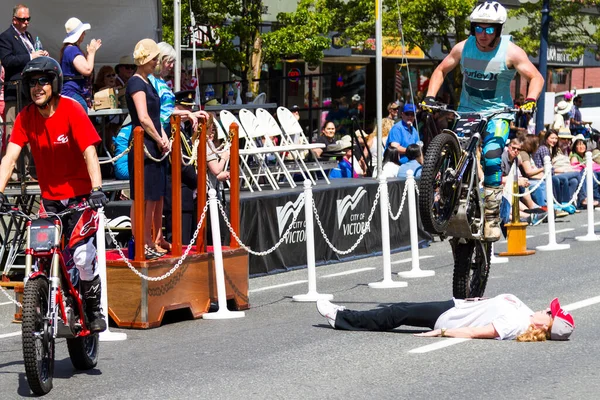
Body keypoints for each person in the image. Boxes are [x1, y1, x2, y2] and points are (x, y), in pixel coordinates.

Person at [0, 57, 108, 332]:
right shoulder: (25, 117)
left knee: (83, 256)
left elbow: (90, 153)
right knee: (40, 253)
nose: (37, 87)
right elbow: (9, 158)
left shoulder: (72, 110)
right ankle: (42, 304)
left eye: (43, 81)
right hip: (49, 200)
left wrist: (96, 189)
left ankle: (93, 309)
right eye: (32, 83)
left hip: (81, 197)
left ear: (54, 84)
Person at [422, 1, 544, 241]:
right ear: (472, 28)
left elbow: (535, 76)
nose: (483, 34)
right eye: (479, 28)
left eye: (489, 30)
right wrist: (429, 97)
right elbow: (440, 71)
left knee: (490, 156)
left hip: (498, 114)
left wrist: (530, 99)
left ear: (498, 30)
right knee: (453, 152)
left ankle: (491, 217)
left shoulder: (511, 52)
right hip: (467, 111)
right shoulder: (463, 48)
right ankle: (445, 199)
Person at [316, 295, 574, 342]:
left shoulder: (516, 324)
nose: (546, 309)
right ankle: (344, 317)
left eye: (550, 313)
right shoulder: (527, 313)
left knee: (397, 312)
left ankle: (341, 317)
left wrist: (441, 333)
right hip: (458, 305)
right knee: (401, 308)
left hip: (449, 318)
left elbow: (476, 332)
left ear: (545, 324)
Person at [126, 38, 169, 260]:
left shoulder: (148, 81)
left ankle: (150, 240)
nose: (156, 63)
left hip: (153, 143)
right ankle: (141, 240)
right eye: (153, 59)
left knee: (153, 195)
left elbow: (155, 118)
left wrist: (163, 137)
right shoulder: (136, 83)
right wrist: (159, 139)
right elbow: (143, 118)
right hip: (143, 144)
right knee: (141, 196)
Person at [0, 4, 48, 138]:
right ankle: (12, 159)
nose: (26, 22)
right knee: (14, 133)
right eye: (22, 19)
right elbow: (7, 61)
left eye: (28, 19)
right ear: (14, 19)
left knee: (31, 133)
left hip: (29, 90)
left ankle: (28, 160)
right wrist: (31, 56)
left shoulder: (28, 36)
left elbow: (31, 56)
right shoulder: (6, 37)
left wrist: (40, 55)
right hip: (15, 92)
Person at [59, 17, 100, 112]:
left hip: (71, 93)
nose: (84, 34)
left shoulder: (69, 49)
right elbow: (87, 70)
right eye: (83, 32)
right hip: (72, 93)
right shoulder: (72, 50)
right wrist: (91, 53)